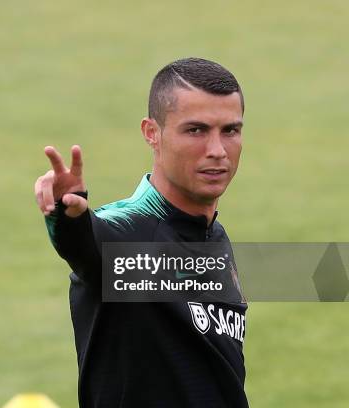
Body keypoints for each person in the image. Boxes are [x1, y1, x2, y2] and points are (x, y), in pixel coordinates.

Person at [34, 57, 248, 407]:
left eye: (230, 130)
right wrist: (66, 215)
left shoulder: (214, 237)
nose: (217, 151)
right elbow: (86, 245)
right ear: (152, 133)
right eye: (195, 130)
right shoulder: (125, 234)